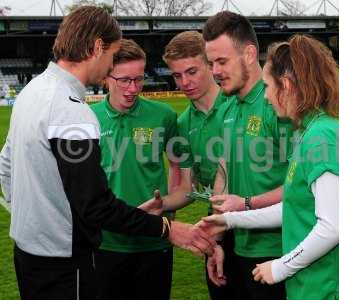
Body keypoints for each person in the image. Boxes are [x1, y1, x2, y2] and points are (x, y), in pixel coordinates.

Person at [0, 6, 214, 300]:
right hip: (65, 259)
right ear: (98, 47)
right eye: (113, 55)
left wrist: (34, 220)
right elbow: (96, 205)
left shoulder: (32, 91)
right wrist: (167, 229)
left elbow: (6, 167)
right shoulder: (71, 110)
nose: (112, 66)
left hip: (30, 253)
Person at [201, 34, 339, 300]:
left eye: (268, 86)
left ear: (287, 85)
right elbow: (295, 206)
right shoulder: (313, 131)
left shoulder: (321, 137)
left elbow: (333, 227)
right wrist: (230, 220)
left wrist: (280, 267)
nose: (266, 96)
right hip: (325, 286)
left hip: (336, 288)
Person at [202, 11, 293, 300]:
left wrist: (246, 204)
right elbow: (223, 174)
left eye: (222, 61)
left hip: (280, 252)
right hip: (238, 247)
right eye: (211, 62)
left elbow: (304, 186)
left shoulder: (278, 104)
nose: (215, 71)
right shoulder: (228, 106)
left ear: (250, 54)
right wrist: (217, 239)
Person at [91, 38, 178, 300]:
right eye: (124, 80)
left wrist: (169, 204)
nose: (133, 88)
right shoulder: (88, 118)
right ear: (107, 77)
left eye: (139, 79)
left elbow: (180, 170)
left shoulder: (164, 115)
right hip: (106, 242)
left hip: (154, 239)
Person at [162, 30, 236, 300]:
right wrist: (162, 206)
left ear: (209, 64)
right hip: (216, 227)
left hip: (262, 226)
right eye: (177, 75)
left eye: (192, 71)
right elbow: (187, 187)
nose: (185, 82)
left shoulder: (237, 104)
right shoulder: (182, 124)